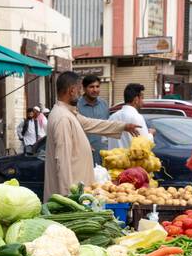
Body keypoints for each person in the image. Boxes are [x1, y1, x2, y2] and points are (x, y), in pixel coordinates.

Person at [44, 71, 138, 199]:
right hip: (71, 195)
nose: (80, 93)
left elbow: (91, 124)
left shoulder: (69, 113)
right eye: (78, 90)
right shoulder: (63, 118)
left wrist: (123, 126)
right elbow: (62, 160)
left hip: (78, 191)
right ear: (72, 90)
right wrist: (67, 197)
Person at [77, 75, 110, 159]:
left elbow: (107, 127)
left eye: (97, 86)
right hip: (83, 154)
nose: (95, 90)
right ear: (84, 88)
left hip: (103, 153)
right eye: (91, 87)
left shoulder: (104, 104)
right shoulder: (76, 106)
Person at [108, 83, 150, 149]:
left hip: (113, 158)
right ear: (136, 99)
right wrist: (151, 134)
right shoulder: (137, 117)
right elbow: (145, 143)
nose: (143, 102)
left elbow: (105, 140)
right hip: (130, 159)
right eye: (142, 98)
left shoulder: (113, 116)